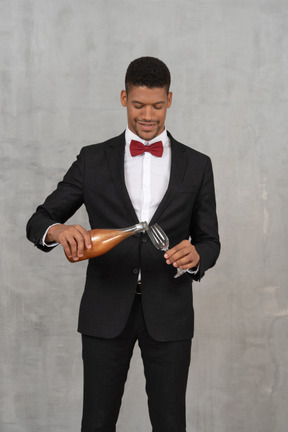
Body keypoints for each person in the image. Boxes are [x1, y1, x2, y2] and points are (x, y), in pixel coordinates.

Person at [26, 56, 220, 432]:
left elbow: (210, 240)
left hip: (170, 313)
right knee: (96, 423)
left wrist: (197, 257)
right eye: (138, 105)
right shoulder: (93, 159)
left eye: (157, 105)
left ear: (170, 100)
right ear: (123, 98)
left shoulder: (198, 165)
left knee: (170, 424)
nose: (147, 115)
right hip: (104, 310)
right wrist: (59, 232)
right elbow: (39, 220)